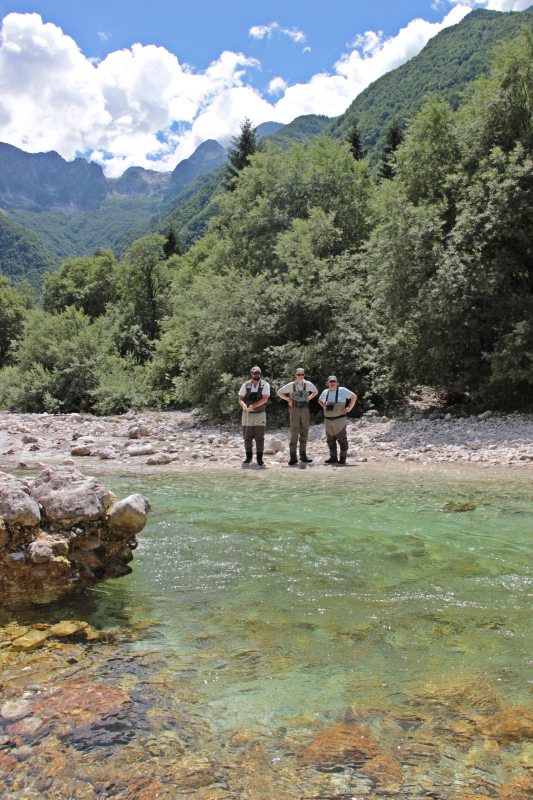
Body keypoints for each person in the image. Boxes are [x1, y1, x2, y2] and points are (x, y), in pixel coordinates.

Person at [277, 368, 318, 465]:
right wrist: (288, 399)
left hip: (305, 409)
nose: (300, 376)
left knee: (304, 431)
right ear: (296, 375)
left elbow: (315, 391)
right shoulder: (291, 385)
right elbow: (279, 392)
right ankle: (293, 457)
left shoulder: (308, 384)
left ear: (304, 375)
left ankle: (303, 456)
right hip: (294, 409)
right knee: (294, 431)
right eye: (299, 374)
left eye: (302, 374)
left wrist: (309, 398)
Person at [318, 376, 357, 465]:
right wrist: (323, 405)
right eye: (330, 381)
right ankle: (333, 458)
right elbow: (319, 400)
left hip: (340, 420)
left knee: (342, 440)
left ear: (337, 383)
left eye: (334, 381)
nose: (332, 383)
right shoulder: (325, 392)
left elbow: (354, 397)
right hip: (327, 421)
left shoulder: (342, 390)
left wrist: (349, 408)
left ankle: (342, 459)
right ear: (327, 383)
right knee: (330, 440)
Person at [238, 366, 270, 466]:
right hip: (247, 414)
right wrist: (243, 405)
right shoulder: (245, 384)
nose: (256, 375)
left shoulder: (265, 385)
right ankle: (248, 458)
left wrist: (253, 406)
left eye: (258, 373)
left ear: (260, 374)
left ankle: (259, 459)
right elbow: (240, 398)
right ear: (251, 374)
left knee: (259, 438)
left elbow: (265, 399)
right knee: (247, 437)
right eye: (254, 373)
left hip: (260, 415)